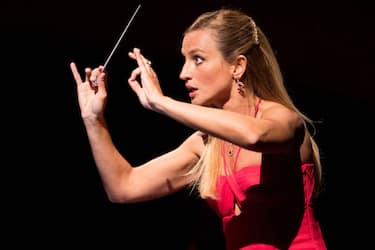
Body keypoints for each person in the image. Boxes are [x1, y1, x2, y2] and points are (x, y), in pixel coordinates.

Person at [70, 7, 327, 250]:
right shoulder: (205, 144)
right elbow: (124, 187)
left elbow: (254, 135)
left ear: (237, 66)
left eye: (198, 60)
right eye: (185, 60)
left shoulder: (284, 119)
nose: (183, 73)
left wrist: (163, 103)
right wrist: (94, 120)